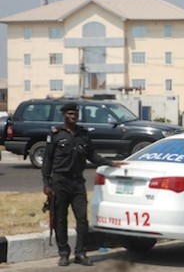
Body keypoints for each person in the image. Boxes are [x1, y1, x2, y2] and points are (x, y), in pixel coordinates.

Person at [41, 102, 127, 267]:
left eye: (75, 114)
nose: (73, 117)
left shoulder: (83, 134)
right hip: (59, 182)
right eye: (70, 114)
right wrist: (46, 183)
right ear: (64, 115)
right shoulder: (55, 134)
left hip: (77, 183)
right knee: (60, 220)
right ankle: (64, 253)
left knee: (82, 220)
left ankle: (80, 253)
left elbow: (92, 156)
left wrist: (111, 163)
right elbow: (47, 161)